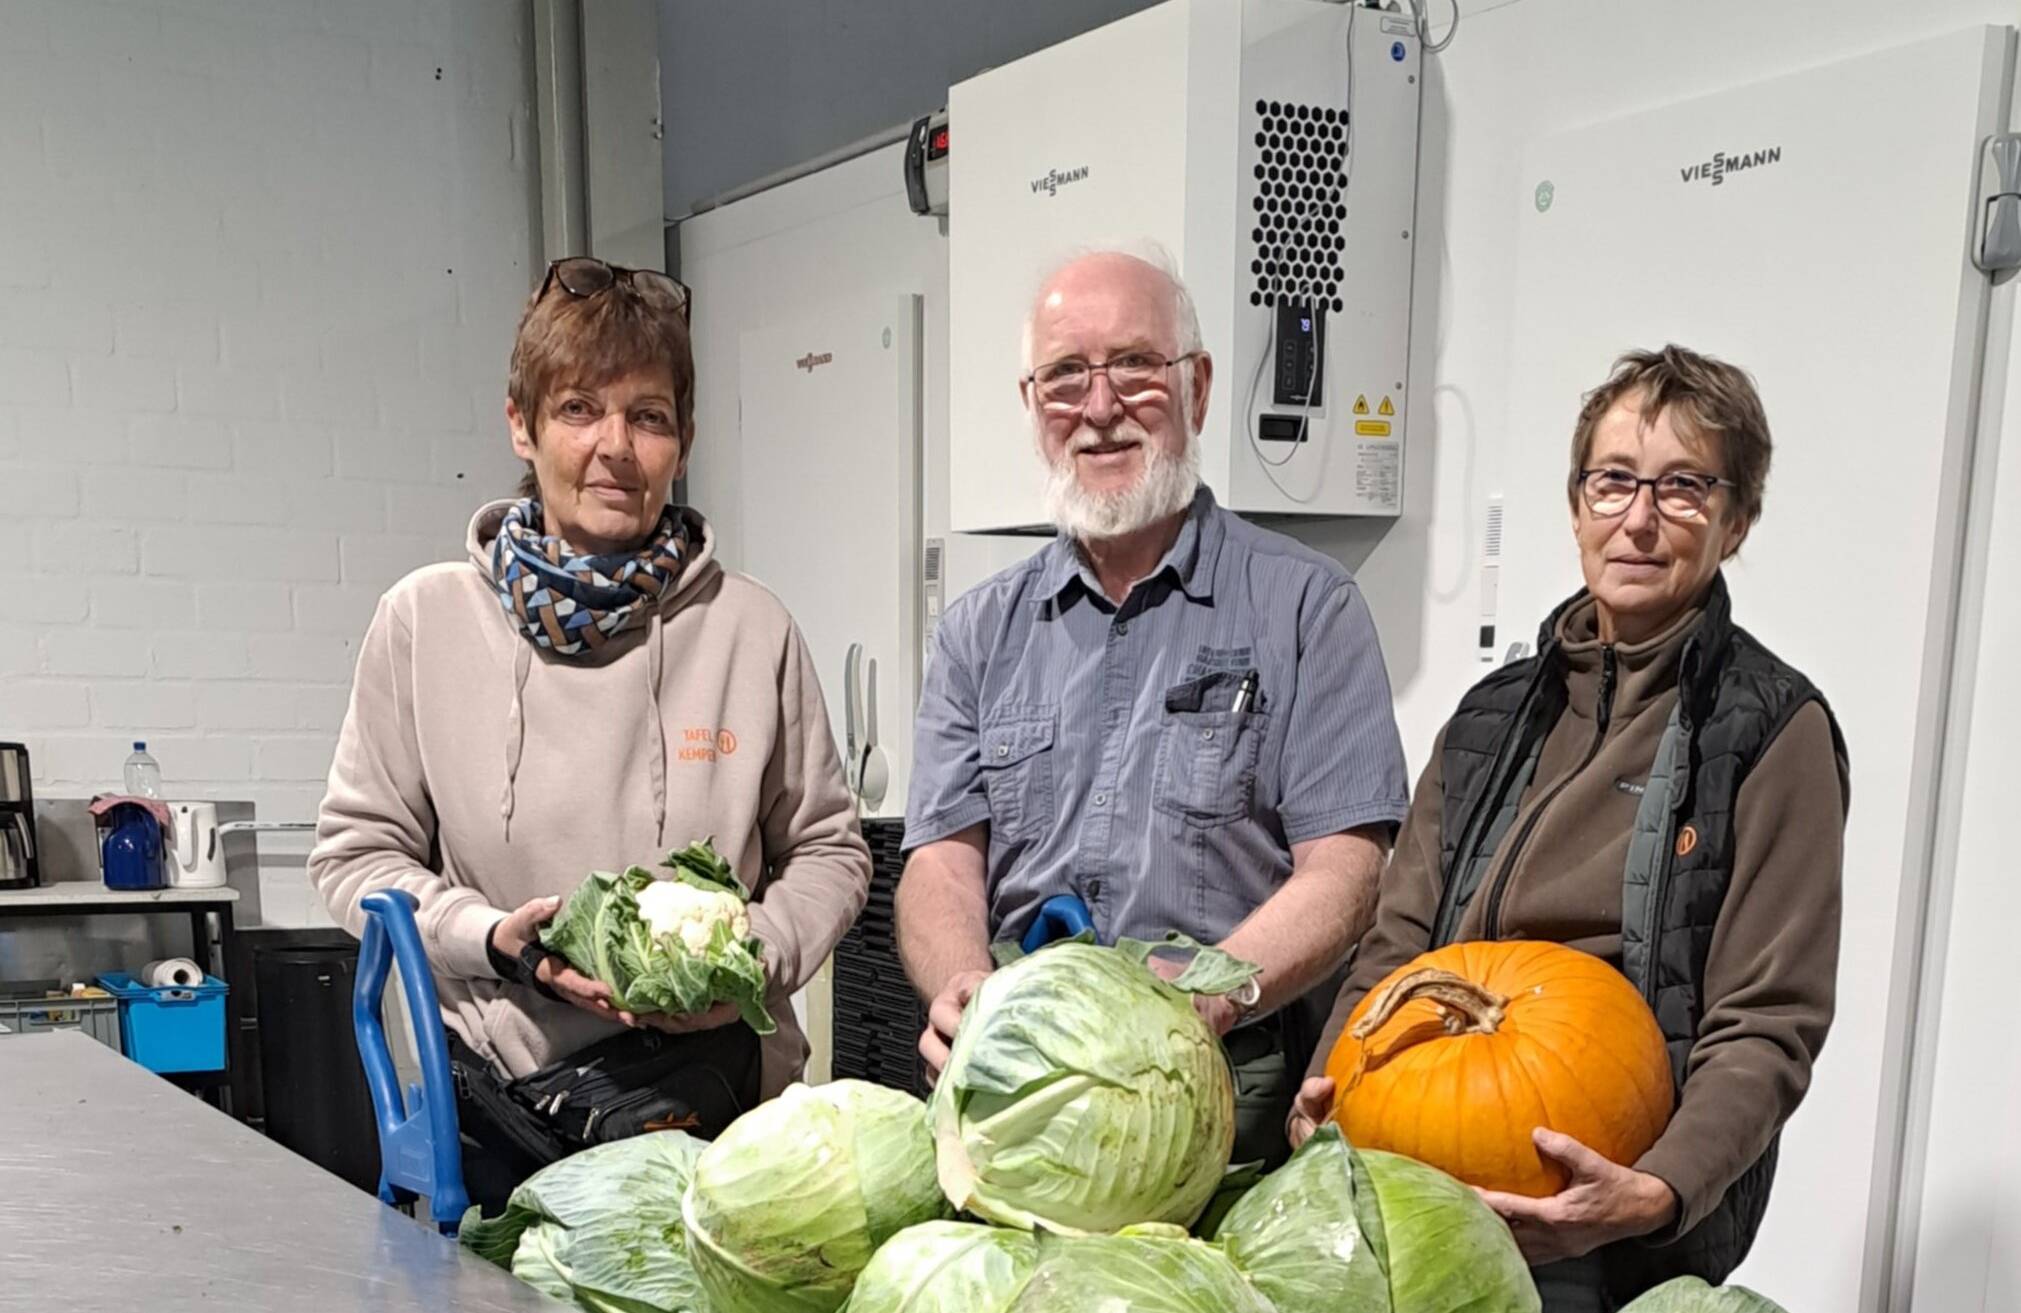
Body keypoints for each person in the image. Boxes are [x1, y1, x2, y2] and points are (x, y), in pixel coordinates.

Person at [1287, 345, 1849, 1310]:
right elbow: (1398, 939)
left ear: (1735, 518)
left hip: (1604, 1222)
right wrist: (1326, 1085)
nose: (1636, 517)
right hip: (1416, 1181)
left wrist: (1656, 1190)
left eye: (1681, 487)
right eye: (1613, 481)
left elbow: (1766, 1021)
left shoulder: (1770, 729)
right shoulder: (1488, 715)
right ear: (1577, 503)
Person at [310, 257, 870, 1208]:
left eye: (648, 416)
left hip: (715, 1107)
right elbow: (356, 859)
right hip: (492, 1104)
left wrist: (752, 959)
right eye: (578, 409)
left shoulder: (751, 628)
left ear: (681, 440)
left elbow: (828, 848)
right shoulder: (424, 621)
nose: (615, 445)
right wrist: (493, 939)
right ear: (521, 425)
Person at [899, 248, 1410, 1167]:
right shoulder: (977, 632)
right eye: (1064, 377)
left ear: (1198, 387)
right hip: (1015, 1090)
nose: (1098, 409)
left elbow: (1345, 869)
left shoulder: (1308, 608)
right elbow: (941, 858)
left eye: (1134, 365)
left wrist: (1192, 1004)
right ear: (1032, 407)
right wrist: (961, 985)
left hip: (1215, 1091)